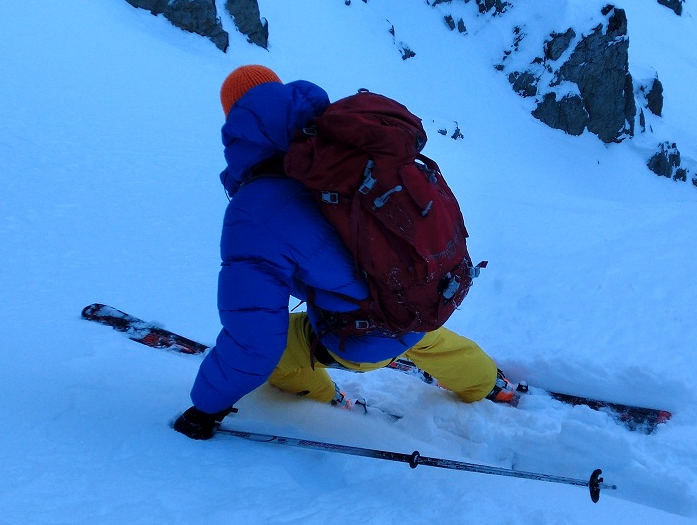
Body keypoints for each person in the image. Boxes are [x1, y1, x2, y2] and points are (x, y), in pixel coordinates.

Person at [174, 65, 514, 440]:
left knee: (283, 354)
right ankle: (488, 382)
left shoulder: (252, 212)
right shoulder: (348, 153)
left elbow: (255, 343)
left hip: (360, 338)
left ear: (236, 126)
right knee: (424, 336)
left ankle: (325, 396)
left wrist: (205, 408)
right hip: (421, 304)